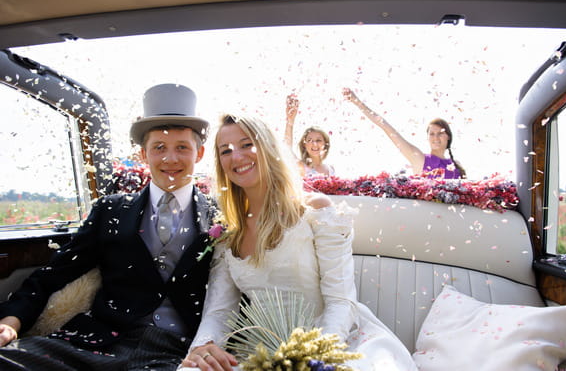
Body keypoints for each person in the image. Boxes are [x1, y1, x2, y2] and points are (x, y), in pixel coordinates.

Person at [0, 83, 217, 371]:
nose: (170, 159)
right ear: (143, 155)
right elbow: (54, 273)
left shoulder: (221, 216)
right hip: (96, 341)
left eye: (182, 148)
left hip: (179, 351)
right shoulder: (110, 210)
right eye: (159, 148)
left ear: (198, 153)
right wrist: (11, 320)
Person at [179, 114, 417, 371]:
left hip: (331, 341)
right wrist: (204, 345)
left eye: (247, 144)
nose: (236, 157)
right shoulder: (228, 232)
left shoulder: (315, 211)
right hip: (261, 351)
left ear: (268, 147)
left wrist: (315, 357)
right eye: (225, 151)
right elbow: (220, 310)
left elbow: (340, 300)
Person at [342, 88, 466, 179]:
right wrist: (357, 102)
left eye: (440, 133)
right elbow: (386, 127)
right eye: (432, 134)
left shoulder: (456, 165)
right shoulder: (418, 157)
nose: (436, 138)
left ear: (448, 136)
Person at [284, 93, 335, 177]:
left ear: (325, 144)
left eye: (318, 140)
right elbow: (286, 148)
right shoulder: (300, 166)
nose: (314, 144)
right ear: (304, 145)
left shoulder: (331, 169)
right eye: (309, 140)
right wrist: (290, 121)